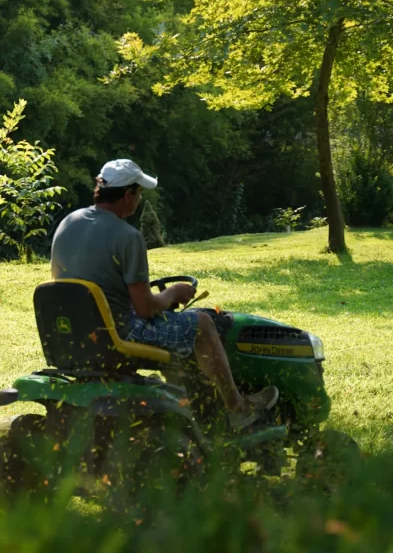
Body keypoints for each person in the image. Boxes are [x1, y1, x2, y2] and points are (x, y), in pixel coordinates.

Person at [49, 159, 278, 430]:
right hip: (120, 333)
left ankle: (193, 406)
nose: (139, 199)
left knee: (179, 325)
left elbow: (70, 283)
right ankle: (238, 408)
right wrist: (173, 293)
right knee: (202, 324)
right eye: (139, 193)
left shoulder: (68, 223)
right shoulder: (127, 236)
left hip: (75, 334)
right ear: (127, 195)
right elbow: (146, 308)